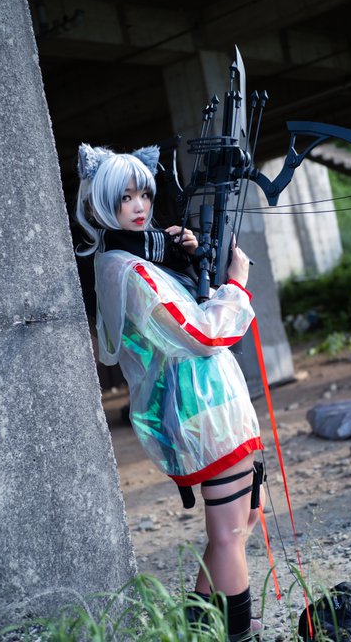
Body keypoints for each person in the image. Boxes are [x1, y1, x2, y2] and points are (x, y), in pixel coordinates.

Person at [75, 143, 265, 641]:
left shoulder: (134, 257)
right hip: (201, 410)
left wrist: (181, 254)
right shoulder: (128, 270)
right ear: (100, 203)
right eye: (125, 198)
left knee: (241, 520)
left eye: (144, 194)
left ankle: (203, 627)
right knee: (230, 532)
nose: (139, 206)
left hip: (207, 404)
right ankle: (238, 632)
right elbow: (199, 334)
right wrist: (236, 284)